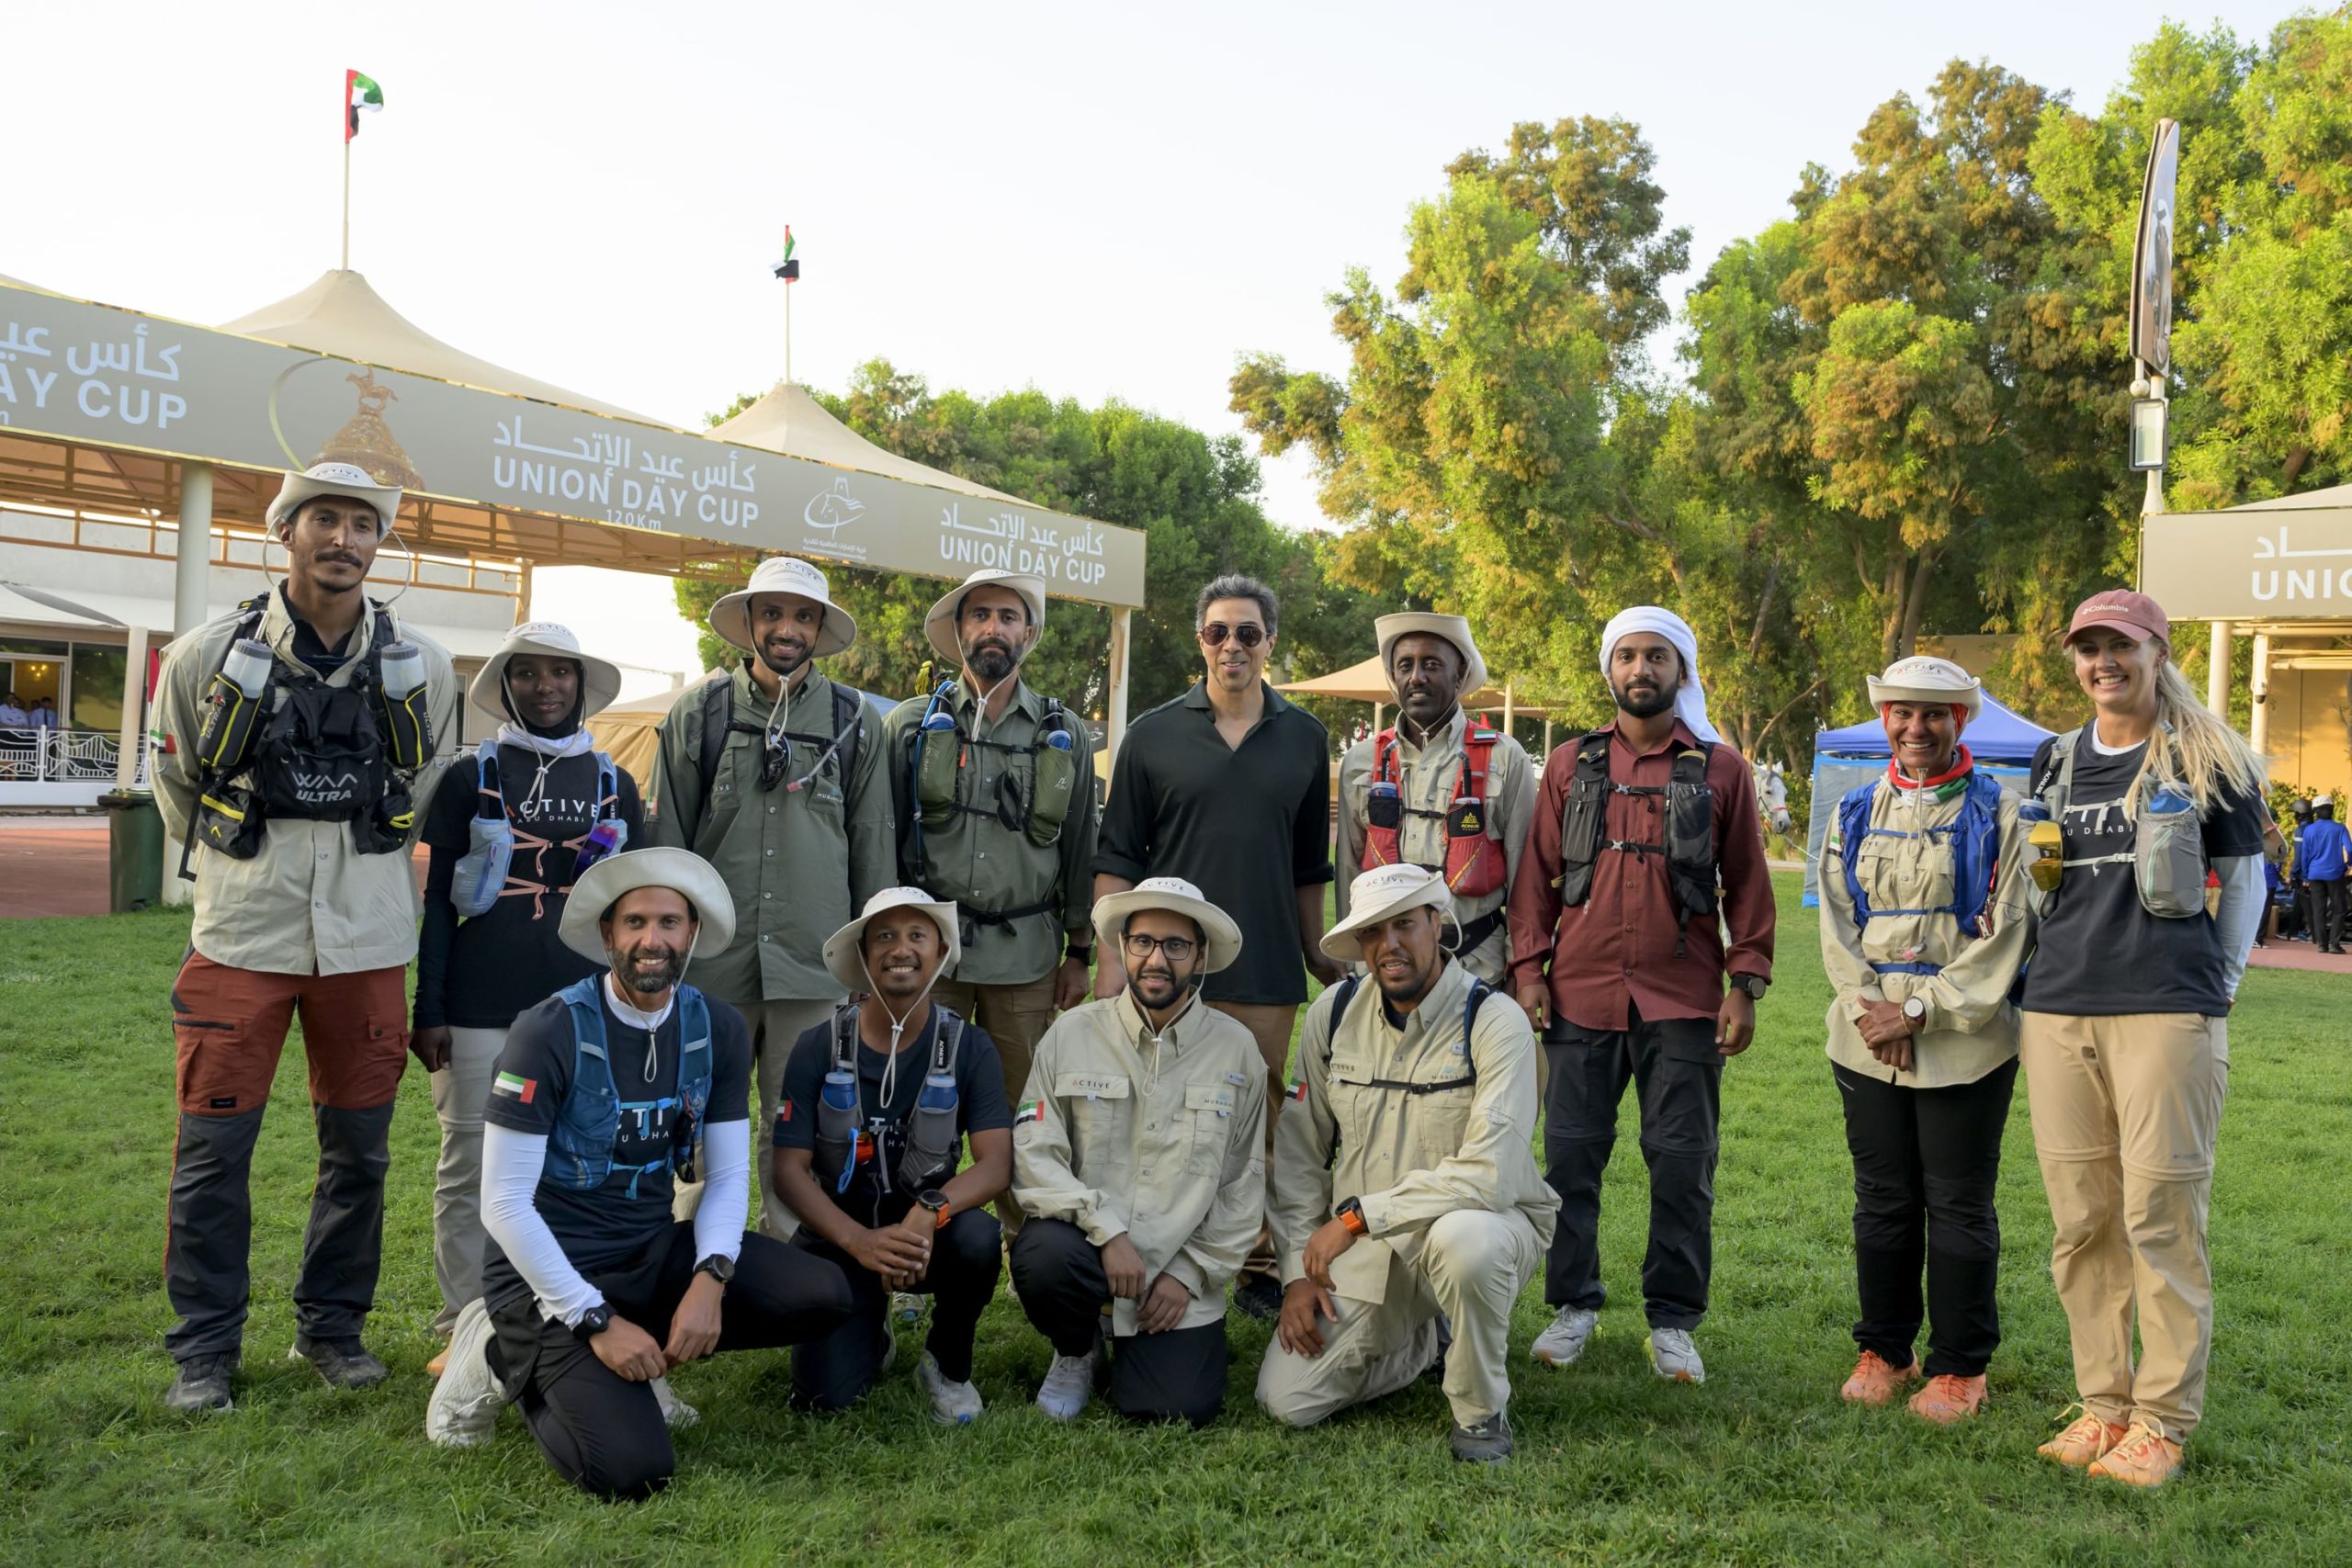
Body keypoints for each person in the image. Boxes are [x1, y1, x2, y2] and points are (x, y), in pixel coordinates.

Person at [148, 460, 458, 1414]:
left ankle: (331, 1330)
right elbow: (177, 787)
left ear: (379, 542)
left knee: (359, 1152)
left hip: (366, 946)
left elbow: (429, 789)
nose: (344, 540)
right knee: (211, 1153)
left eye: (363, 525)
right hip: (241, 937)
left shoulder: (426, 667)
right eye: (324, 519)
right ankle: (203, 1351)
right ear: (284, 530)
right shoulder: (207, 653)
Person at [424, 848, 855, 1497]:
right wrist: (594, 1319)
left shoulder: (716, 1028)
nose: (652, 939)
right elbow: (504, 1203)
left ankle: (632, 1350)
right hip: (543, 1279)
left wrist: (711, 1276)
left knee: (823, 1293)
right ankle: (496, 1354)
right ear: (608, 934)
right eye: (634, 922)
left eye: (670, 922)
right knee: (633, 1469)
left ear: (693, 934)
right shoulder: (548, 1029)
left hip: (647, 1253)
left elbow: (731, 1172)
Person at [2018, 589, 2267, 1488]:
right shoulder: (2052, 759)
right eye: (2086, 649)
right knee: (2082, 1221)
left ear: (2157, 653)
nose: (2101, 664)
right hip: (2055, 1010)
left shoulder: (2208, 756)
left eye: (2118, 646)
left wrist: (2217, 988)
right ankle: (2102, 1406)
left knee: (2159, 1217)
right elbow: (2039, 883)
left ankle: (2161, 1421)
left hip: (2165, 1009)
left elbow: (2241, 883)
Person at [1510, 605, 1776, 1385]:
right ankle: (1573, 1306)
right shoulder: (1570, 764)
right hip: (1578, 996)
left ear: (1681, 671)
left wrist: (1746, 983)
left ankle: (1673, 1321)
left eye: (1656, 656)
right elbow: (1535, 881)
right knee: (1569, 1161)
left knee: (1683, 1163)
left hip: (1685, 998)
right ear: (1609, 669)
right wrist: (1529, 971)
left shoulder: (1722, 769)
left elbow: (1751, 886)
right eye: (1626, 656)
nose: (1640, 669)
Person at [1094, 573, 1340, 1320]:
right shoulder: (1153, 734)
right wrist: (1112, 964)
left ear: (1270, 642)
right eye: (1217, 631)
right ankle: (1150, 1247)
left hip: (1264, 961)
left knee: (1257, 1122)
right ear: (1198, 639)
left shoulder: (1304, 737)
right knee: (1156, 1113)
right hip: (1161, 966)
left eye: (1248, 633)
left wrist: (1312, 949)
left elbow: (1308, 865)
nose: (1232, 645)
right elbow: (1117, 857)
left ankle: (1259, 1263)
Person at [1258, 863, 1558, 1462]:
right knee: (1286, 1399)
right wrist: (1295, 1271)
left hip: (1483, 1226)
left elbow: (1490, 1173)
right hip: (1369, 1254)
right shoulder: (1334, 1015)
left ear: (1437, 925)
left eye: (1404, 925)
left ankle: (1479, 1413)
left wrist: (1354, 1218)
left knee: (1464, 1243)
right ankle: (1425, 1341)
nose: (1388, 944)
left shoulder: (1493, 1020)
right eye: (1371, 932)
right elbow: (1297, 1153)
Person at [412, 622, 642, 1371]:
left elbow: (632, 916)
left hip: (584, 1008)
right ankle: (465, 1322)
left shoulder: (615, 782)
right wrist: (431, 1008)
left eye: (561, 672)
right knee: (471, 1165)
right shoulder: (468, 775)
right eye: (529, 673)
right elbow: (439, 904)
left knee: (577, 1162)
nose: (546, 686)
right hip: (478, 1006)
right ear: (506, 686)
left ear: (581, 683)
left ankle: (562, 1302)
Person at [650, 555, 894, 1237]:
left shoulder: (854, 722)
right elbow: (668, 846)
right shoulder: (700, 712)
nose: (787, 627)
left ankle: (787, 1261)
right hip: (712, 966)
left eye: (803, 615)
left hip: (814, 966)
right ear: (750, 622)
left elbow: (873, 844)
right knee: (697, 1121)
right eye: (774, 613)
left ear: (819, 628)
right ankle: (693, 1256)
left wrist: (867, 969)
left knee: (799, 1126)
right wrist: (666, 958)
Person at [1816, 658, 2034, 1423]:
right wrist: (1874, 1010)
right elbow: (1837, 925)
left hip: (1966, 1040)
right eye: (1902, 713)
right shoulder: (1851, 810)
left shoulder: (2002, 813)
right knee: (1882, 1200)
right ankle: (1886, 1348)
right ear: (1884, 719)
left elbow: (2010, 929)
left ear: (1961, 721)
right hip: (1865, 1040)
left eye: (1934, 714)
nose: (1916, 728)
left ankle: (1960, 1366)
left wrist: (1918, 1014)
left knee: (1959, 1201)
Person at [885, 569, 1098, 1247]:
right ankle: (913, 1249)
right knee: (917, 1103)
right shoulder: (911, 726)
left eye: (1008, 617)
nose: (993, 629)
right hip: (929, 959)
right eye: (979, 615)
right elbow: (882, 838)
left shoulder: (1066, 734)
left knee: (1020, 1117)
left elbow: (1082, 849)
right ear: (957, 631)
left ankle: (1030, 1253)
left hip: (1026, 956)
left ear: (1028, 634)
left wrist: (1081, 951)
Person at [1010, 876, 1267, 1427]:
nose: (1157, 959)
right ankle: (1078, 1348)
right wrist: (1108, 1231)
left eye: (1176, 945)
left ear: (1199, 956)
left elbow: (1243, 1182)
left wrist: (1190, 1273)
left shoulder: (1236, 1049)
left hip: (1177, 1275)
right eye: (1144, 942)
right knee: (1042, 1257)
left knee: (1170, 1410)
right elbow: (1035, 1152)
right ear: (1123, 947)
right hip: (1089, 1252)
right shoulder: (1070, 1036)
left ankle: (1139, 1340)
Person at [771, 888, 1012, 1422]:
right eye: (883, 936)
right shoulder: (818, 1044)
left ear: (940, 951)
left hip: (927, 1235)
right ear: (862, 955)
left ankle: (947, 1364)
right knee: (823, 1398)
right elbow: (789, 1171)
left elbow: (996, 1164)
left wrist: (928, 1214)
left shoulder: (969, 1047)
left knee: (977, 1238)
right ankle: (869, 1332)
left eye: (916, 936)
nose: (899, 949)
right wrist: (859, 1242)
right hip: (840, 1239)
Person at [1335, 612, 1534, 987]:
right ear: (1393, 677)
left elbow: (1526, 876)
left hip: (1477, 968)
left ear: (1460, 674)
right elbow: (1348, 870)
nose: (1417, 677)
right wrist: (1351, 964)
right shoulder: (1361, 762)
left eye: (1431, 664)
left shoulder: (1506, 759)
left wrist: (1523, 968)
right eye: (1405, 665)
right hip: (1383, 971)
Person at [2299, 799, 2349, 953]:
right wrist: (2348, 865)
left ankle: (2322, 944)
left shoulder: (2309, 830)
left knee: (2318, 909)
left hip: (2314, 873)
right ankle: (2334, 943)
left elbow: (2304, 855)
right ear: (2332, 810)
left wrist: (2306, 875)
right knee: (2339, 908)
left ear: (2316, 812)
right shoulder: (2340, 828)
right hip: (2335, 873)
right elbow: (2350, 849)